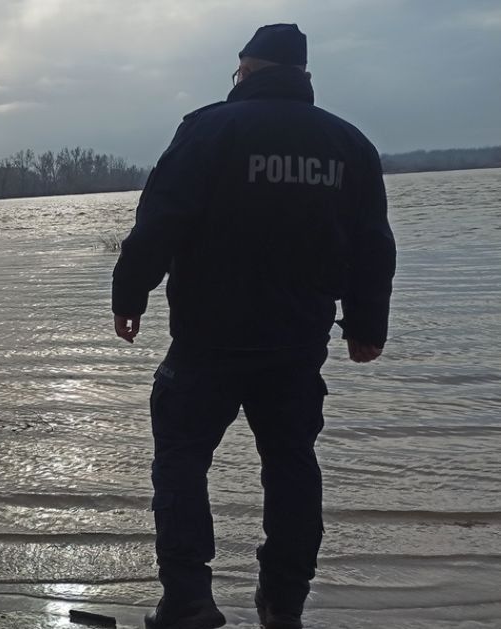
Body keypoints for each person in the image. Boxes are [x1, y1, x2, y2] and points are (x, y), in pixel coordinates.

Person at [110, 23, 397, 629]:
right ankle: (283, 604)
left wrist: (129, 293)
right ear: (305, 77)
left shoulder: (209, 129)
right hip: (298, 343)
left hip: (207, 340)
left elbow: (162, 217)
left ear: (246, 69)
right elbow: (374, 244)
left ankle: (188, 600)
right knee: (292, 463)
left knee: (182, 462)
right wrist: (367, 325)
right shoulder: (350, 144)